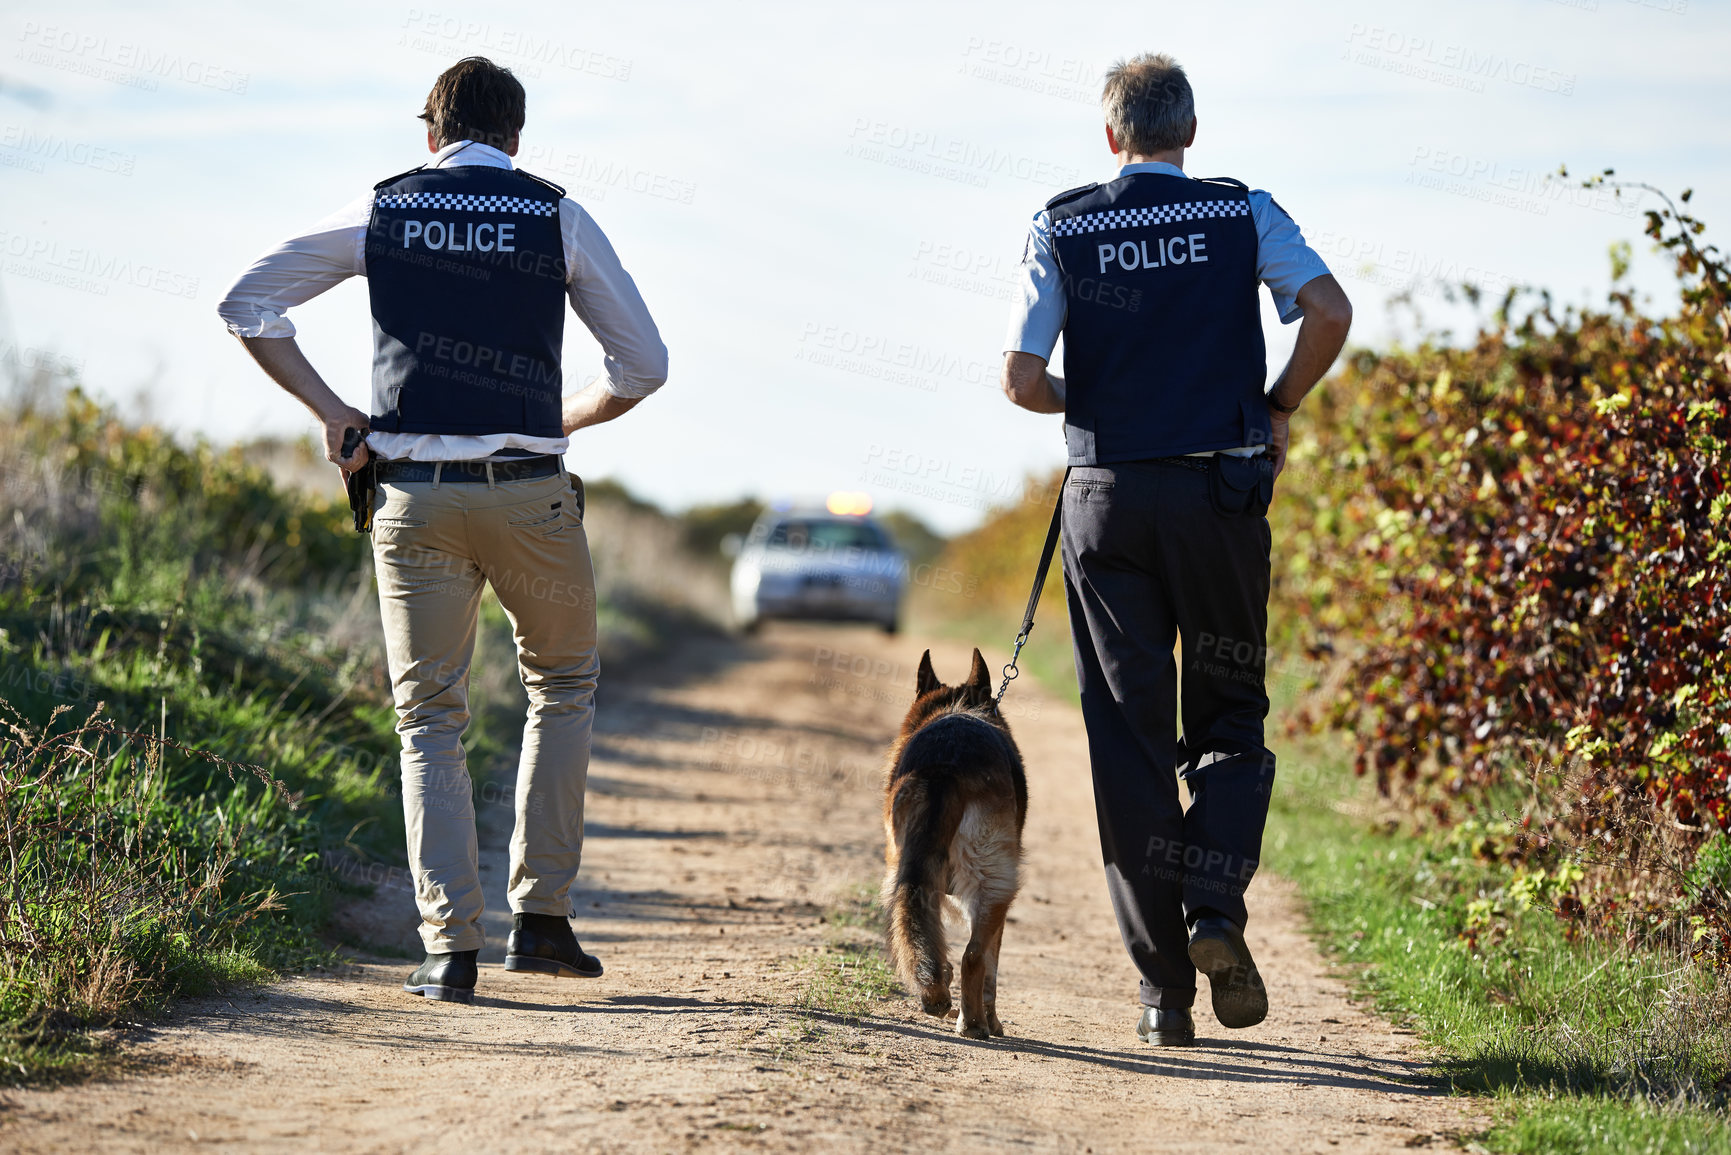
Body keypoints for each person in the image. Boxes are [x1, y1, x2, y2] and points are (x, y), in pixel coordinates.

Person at [217, 56, 668, 1004]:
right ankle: (540, 921)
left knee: (430, 716)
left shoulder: (382, 209)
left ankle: (447, 948)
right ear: (516, 137)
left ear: (430, 134)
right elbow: (643, 366)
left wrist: (336, 413)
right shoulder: (556, 214)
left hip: (411, 498)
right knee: (564, 687)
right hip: (531, 495)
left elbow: (247, 303)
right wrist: (562, 418)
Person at [999, 53, 1351, 1046]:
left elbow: (1023, 379)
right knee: (1231, 719)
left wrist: (1101, 401)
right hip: (1224, 493)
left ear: (1111, 138)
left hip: (1109, 504)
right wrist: (1279, 405)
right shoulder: (1244, 214)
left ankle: (1163, 999)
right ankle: (1215, 912)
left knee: (1129, 741)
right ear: (1190, 131)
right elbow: (1330, 313)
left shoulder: (1063, 223)